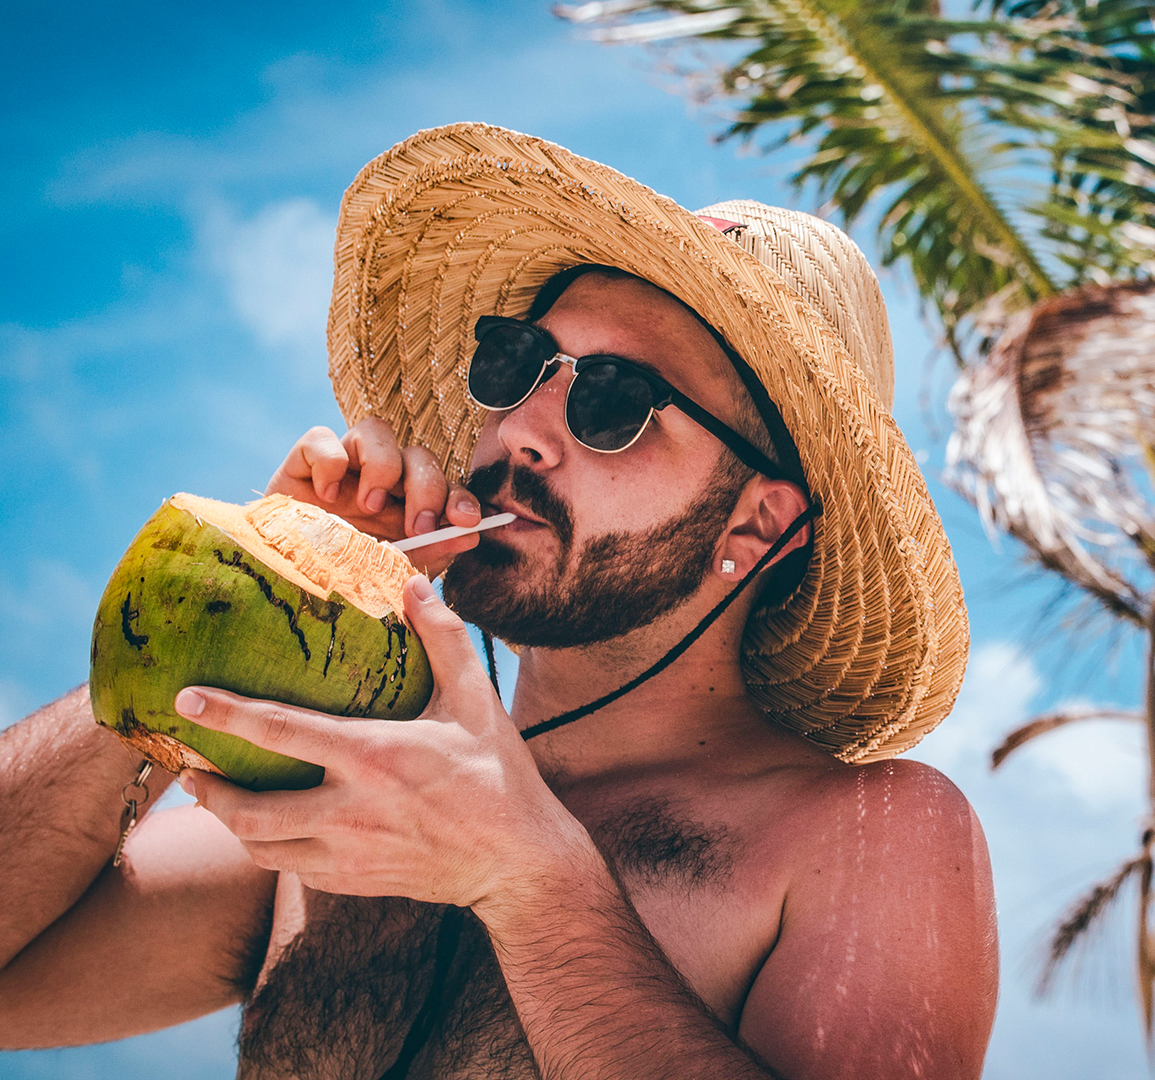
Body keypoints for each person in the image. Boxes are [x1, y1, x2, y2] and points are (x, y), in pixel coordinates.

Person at [0, 123, 994, 1080]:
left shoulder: (864, 830)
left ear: (755, 524)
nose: (522, 428)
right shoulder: (347, 799)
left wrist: (531, 882)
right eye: (517, 365)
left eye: (614, 401)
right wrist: (220, 617)